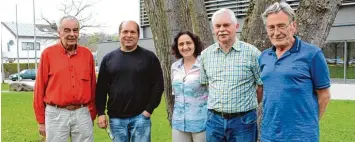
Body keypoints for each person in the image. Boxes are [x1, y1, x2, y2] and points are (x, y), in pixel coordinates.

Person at [259, 2, 331, 142]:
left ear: (293, 26)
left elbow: (324, 95)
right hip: (269, 134)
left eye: (281, 26)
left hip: (301, 136)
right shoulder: (263, 57)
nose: (276, 32)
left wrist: (309, 125)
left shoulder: (312, 54)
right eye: (271, 27)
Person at [200, 8, 263, 142]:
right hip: (214, 121)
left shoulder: (253, 53)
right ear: (213, 29)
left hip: (243, 122)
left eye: (226, 25)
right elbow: (207, 85)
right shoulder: (205, 55)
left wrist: (245, 107)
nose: (222, 29)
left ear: (236, 26)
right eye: (218, 26)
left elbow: (261, 86)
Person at [95, 20, 164, 142]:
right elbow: (101, 89)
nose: (129, 35)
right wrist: (101, 112)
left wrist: (148, 111)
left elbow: (158, 86)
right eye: (125, 31)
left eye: (133, 32)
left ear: (138, 35)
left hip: (141, 118)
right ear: (119, 34)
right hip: (115, 119)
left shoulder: (149, 58)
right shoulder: (108, 59)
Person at [33, 15, 97, 142]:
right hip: (56, 114)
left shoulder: (87, 55)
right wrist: (41, 120)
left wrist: (91, 113)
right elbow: (39, 89)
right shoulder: (48, 54)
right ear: (59, 32)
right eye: (67, 30)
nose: (72, 34)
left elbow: (93, 87)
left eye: (75, 30)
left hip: (82, 113)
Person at [171, 31, 208, 142]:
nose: (185, 47)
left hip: (201, 123)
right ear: (177, 47)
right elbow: (175, 94)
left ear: (195, 44)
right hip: (179, 123)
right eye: (181, 44)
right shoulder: (175, 67)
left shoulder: (204, 63)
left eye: (188, 43)